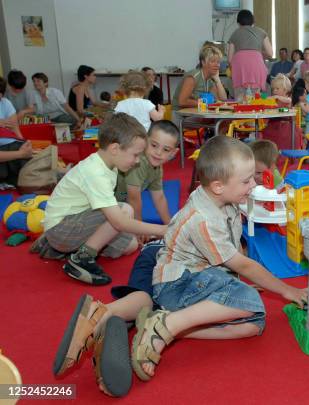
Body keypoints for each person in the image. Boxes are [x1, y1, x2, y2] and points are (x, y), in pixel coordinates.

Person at [130, 136, 307, 381]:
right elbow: (242, 263)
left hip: (199, 279)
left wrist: (234, 283)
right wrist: (288, 291)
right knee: (249, 301)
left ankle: (168, 326)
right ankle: (166, 327)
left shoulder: (223, 199)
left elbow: (232, 251)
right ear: (218, 186)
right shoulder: (204, 218)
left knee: (254, 324)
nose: (252, 186)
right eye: (246, 181)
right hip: (176, 285)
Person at [30, 113, 168, 285]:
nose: (138, 161)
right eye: (135, 155)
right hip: (61, 228)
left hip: (72, 224)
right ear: (115, 148)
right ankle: (81, 258)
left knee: (131, 245)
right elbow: (118, 222)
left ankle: (64, 249)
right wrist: (164, 230)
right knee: (125, 210)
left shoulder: (109, 165)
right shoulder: (95, 172)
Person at [52, 239, 166, 397]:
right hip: (184, 258)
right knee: (160, 307)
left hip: (154, 249)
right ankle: (107, 317)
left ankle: (105, 315)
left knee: (143, 298)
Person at [115, 120, 179, 226]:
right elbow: (133, 198)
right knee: (132, 239)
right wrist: (139, 227)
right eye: (154, 145)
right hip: (100, 204)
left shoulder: (157, 167)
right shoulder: (138, 161)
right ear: (145, 141)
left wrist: (170, 226)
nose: (158, 153)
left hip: (118, 204)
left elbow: (159, 198)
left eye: (166, 150)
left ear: (173, 153)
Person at [228, 9, 273, 100]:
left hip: (239, 65)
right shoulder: (261, 32)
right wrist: (258, 53)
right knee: (255, 96)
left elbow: (230, 59)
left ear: (238, 22)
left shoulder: (235, 33)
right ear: (253, 21)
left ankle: (240, 112)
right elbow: (270, 53)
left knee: (240, 95)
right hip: (256, 63)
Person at [173, 45, 227, 110]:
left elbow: (223, 99)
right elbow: (182, 102)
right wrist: (205, 103)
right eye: (213, 61)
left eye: (218, 62)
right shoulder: (193, 77)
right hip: (181, 114)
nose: (217, 65)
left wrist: (217, 80)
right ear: (203, 62)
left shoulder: (210, 78)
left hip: (197, 113)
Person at [0, 76, 31, 186]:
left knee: (26, 165)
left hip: (10, 143)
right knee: (3, 173)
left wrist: (24, 143)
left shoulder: (5, 103)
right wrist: (20, 153)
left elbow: (14, 127)